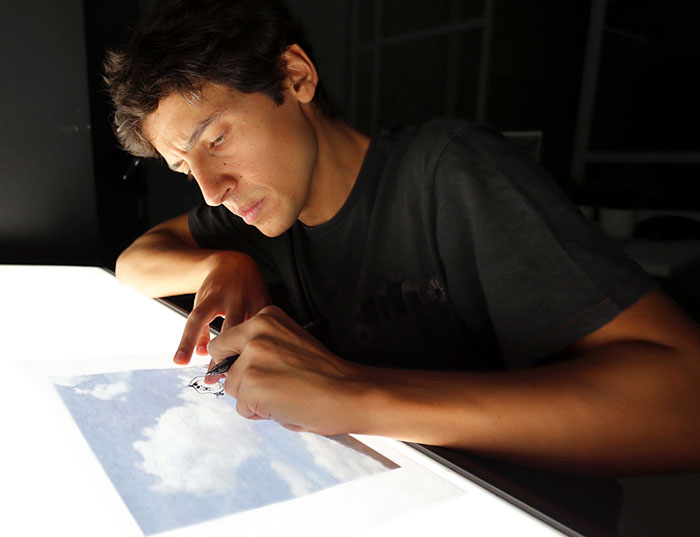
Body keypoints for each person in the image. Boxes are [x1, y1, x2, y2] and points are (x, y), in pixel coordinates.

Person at [106, 0, 700, 473]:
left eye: (216, 139)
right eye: (184, 169)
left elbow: (684, 402)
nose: (212, 190)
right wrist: (219, 265)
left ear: (295, 76)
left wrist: (356, 393)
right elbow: (135, 261)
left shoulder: (448, 173)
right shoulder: (257, 215)